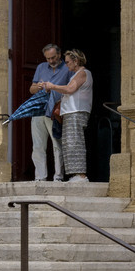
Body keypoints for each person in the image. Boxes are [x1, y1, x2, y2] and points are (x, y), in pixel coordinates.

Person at [41, 49, 94, 182]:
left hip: (76, 112)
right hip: (71, 112)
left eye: (68, 62)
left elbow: (70, 89)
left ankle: (81, 175)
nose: (66, 65)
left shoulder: (83, 73)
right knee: (69, 142)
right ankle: (75, 174)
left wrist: (52, 86)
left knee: (75, 141)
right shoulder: (75, 74)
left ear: (76, 61)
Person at [27, 44, 70, 182]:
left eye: (53, 57)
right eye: (48, 58)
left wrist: (54, 88)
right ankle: (40, 177)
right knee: (38, 145)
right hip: (39, 110)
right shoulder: (41, 67)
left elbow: (72, 89)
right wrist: (38, 86)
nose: (51, 61)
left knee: (57, 143)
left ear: (59, 54)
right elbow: (31, 90)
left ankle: (58, 176)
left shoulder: (68, 68)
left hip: (55, 111)